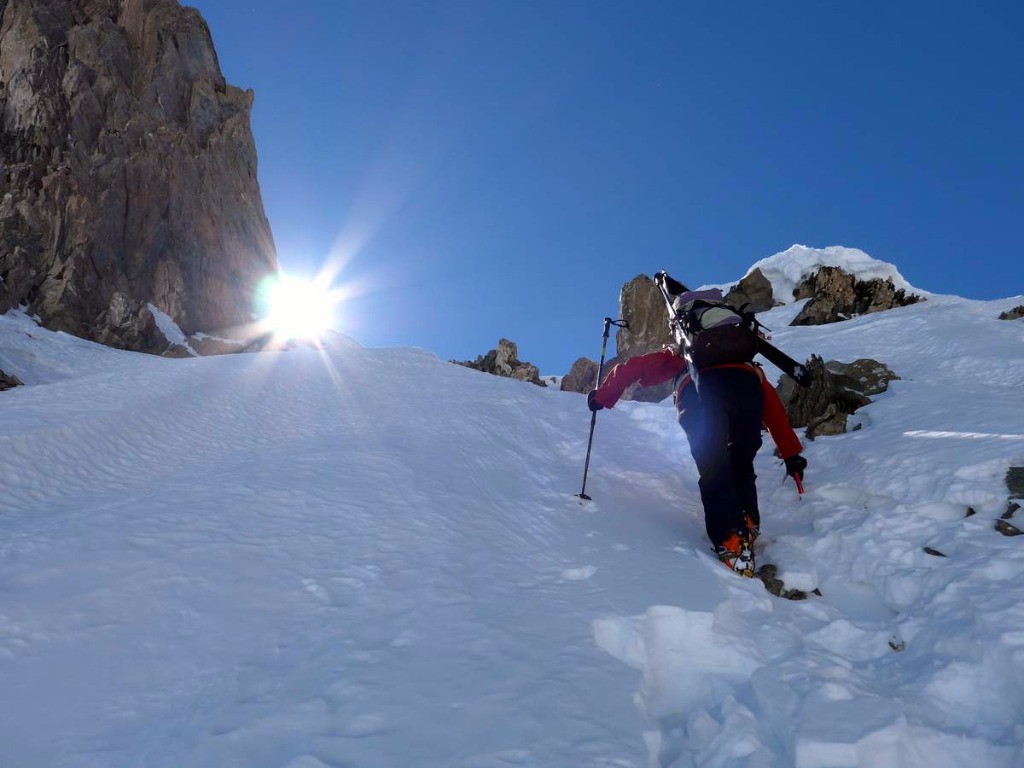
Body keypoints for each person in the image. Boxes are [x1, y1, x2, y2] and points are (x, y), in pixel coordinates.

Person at [586, 294, 807, 577]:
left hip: (700, 393)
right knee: (741, 461)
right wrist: (791, 454)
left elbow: (636, 368)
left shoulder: (686, 352)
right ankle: (747, 522)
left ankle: (731, 540)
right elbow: (773, 408)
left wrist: (603, 397)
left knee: (714, 464)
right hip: (748, 389)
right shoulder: (746, 358)